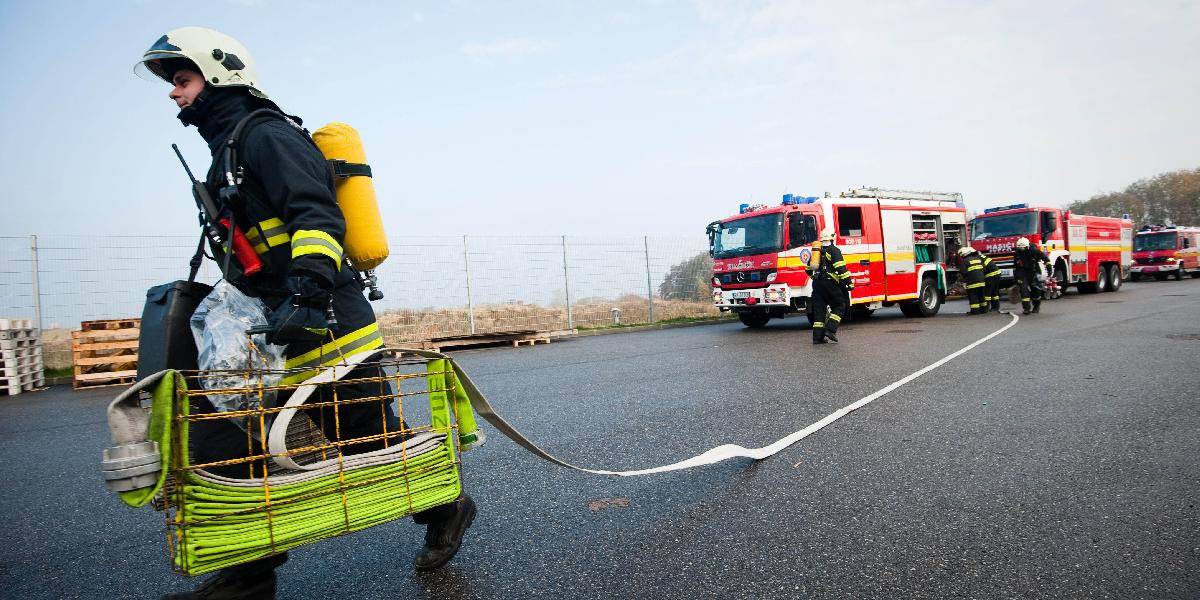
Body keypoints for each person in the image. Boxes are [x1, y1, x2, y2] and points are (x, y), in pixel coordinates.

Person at [139, 27, 475, 600]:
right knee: (231, 442)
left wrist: (307, 297)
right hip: (271, 327)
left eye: (183, 79)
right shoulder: (227, 151)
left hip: (326, 322)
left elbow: (316, 217)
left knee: (368, 439)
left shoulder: (266, 136)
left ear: (218, 73)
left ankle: (448, 507)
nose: (174, 92)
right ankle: (248, 576)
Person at [809, 229, 853, 344]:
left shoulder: (816, 251)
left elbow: (808, 269)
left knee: (819, 311)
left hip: (817, 284)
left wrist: (815, 277)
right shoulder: (833, 250)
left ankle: (817, 338)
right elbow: (841, 268)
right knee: (840, 305)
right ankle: (830, 330)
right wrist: (849, 282)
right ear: (832, 238)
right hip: (829, 283)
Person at [1013, 237, 1051, 314]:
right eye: (1020, 248)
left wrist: (1049, 269)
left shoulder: (1034, 251)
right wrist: (1017, 278)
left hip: (1034, 272)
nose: (1021, 250)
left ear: (1027, 246)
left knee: (1036, 291)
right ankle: (1026, 309)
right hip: (1023, 273)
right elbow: (1016, 266)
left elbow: (1045, 259)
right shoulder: (1017, 253)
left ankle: (1036, 306)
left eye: (1023, 248)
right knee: (1023, 290)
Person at [957, 246, 987, 314]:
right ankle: (984, 310)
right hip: (982, 282)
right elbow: (984, 269)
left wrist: (963, 280)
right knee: (981, 296)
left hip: (972, 283)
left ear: (963, 255)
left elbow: (963, 272)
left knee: (973, 296)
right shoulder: (978, 259)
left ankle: (975, 311)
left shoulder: (964, 261)